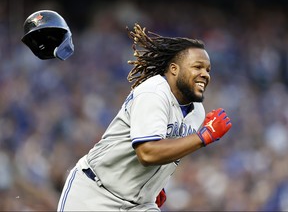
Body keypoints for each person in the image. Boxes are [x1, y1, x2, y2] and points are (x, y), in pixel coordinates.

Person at [57, 23, 232, 211]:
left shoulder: (197, 111)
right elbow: (147, 153)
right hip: (96, 194)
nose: (205, 74)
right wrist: (203, 137)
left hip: (140, 205)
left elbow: (171, 149)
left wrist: (156, 183)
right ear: (174, 69)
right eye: (197, 67)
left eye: (208, 70)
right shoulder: (154, 93)